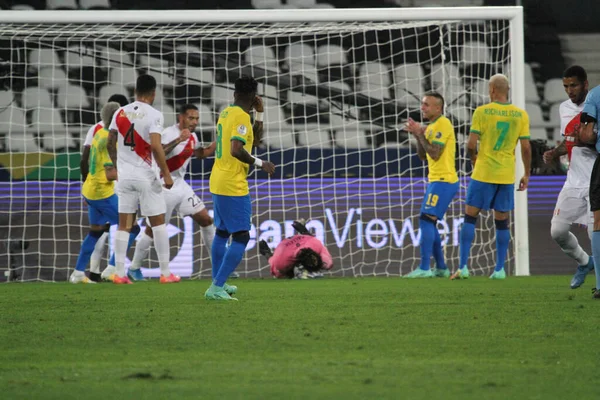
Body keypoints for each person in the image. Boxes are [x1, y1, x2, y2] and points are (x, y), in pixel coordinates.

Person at [451, 74, 531, 280]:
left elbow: (470, 144)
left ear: (493, 90)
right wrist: (526, 174)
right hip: (506, 174)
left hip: (484, 172)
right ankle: (499, 270)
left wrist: (473, 158)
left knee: (470, 217)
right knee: (502, 221)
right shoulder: (520, 115)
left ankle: (463, 267)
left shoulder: (482, 112)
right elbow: (526, 148)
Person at [204, 75, 276, 300]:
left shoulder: (226, 113)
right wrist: (260, 163)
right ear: (254, 97)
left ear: (235, 94)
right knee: (242, 236)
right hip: (232, 184)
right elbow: (237, 149)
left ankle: (219, 283)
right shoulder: (242, 118)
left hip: (217, 179)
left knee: (222, 232)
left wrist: (260, 115)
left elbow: (253, 141)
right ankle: (216, 287)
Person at [127, 104, 217, 281]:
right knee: (153, 229)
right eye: (191, 118)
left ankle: (218, 265)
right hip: (163, 185)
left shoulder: (193, 136)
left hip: (181, 185)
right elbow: (156, 154)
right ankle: (134, 268)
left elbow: (201, 153)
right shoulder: (168, 133)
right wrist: (178, 140)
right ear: (180, 118)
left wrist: (219, 140)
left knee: (206, 220)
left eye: (197, 119)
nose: (194, 122)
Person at [107, 74, 178, 285]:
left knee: (124, 225)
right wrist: (166, 174)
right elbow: (156, 146)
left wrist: (117, 165)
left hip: (125, 177)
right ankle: (165, 273)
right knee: (158, 223)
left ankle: (119, 273)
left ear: (135, 91)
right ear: (153, 93)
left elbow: (110, 143)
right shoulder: (154, 114)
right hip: (146, 177)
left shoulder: (120, 112)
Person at [69, 102, 140, 284]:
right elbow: (110, 174)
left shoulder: (99, 132)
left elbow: (86, 160)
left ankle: (77, 273)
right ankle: (112, 269)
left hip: (90, 189)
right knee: (132, 227)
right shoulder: (112, 140)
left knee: (95, 232)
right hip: (103, 192)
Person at [543, 66, 595, 288]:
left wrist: (585, 139)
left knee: (597, 235)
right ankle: (584, 262)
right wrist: (554, 153)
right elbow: (569, 140)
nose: (569, 91)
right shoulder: (564, 108)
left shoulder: (596, 105)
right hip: (573, 180)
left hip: (596, 179)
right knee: (558, 231)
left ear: (585, 84)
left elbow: (589, 139)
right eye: (566, 86)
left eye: (573, 85)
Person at [403, 91, 459, 278]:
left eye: (427, 104)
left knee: (426, 219)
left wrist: (421, 133)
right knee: (430, 221)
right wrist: (418, 134)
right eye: (422, 104)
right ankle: (441, 267)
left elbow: (434, 153)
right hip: (436, 180)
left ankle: (425, 268)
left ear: (438, 107)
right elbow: (422, 155)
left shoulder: (443, 123)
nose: (423, 107)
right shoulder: (433, 126)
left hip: (444, 180)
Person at [79, 94, 129, 282]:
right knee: (123, 226)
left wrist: (86, 183)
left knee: (101, 228)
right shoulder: (118, 130)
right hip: (112, 184)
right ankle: (113, 269)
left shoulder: (95, 129)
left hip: (96, 185)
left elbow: (84, 158)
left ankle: (94, 271)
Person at [577, 81, 600, 298]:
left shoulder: (595, 95)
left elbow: (587, 135)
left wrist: (585, 134)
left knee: (599, 220)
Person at [258, 219, 333, 279]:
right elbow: (274, 263)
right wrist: (267, 254)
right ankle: (301, 273)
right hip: (284, 248)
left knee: (328, 264)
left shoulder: (316, 244)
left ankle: (302, 230)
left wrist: (304, 231)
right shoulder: (282, 261)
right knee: (280, 275)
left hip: (302, 241)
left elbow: (309, 236)